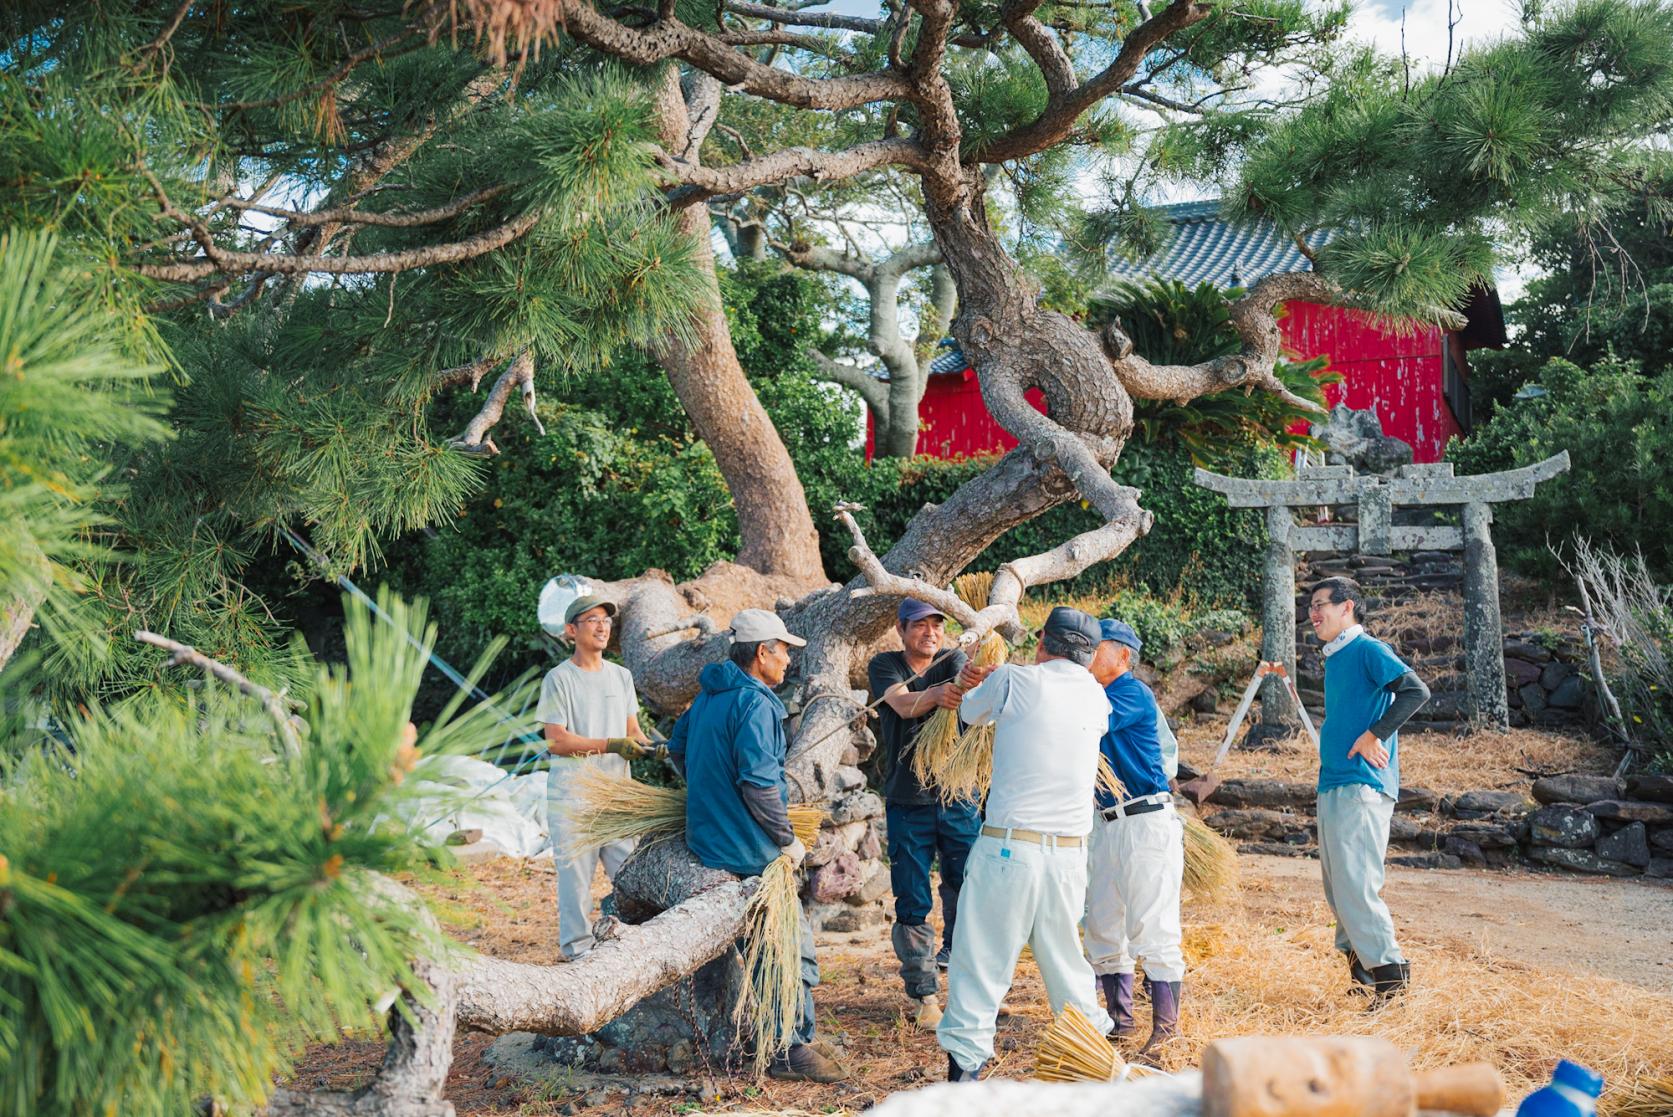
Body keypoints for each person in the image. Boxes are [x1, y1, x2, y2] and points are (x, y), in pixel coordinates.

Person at [667, 608, 850, 1083]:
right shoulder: (756, 703)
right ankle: (789, 1048)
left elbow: (677, 748)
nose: (789, 660)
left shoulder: (707, 697)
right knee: (789, 948)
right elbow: (759, 785)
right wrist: (786, 841)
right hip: (750, 851)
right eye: (784, 650)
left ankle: (772, 1035)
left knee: (761, 946)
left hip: (707, 843)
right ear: (762, 652)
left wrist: (710, 794)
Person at [937, 606, 1117, 1083]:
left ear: (1042, 642)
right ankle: (1093, 1071)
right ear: (1091, 655)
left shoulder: (1016, 680)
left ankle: (964, 1082)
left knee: (981, 961)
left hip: (1009, 852)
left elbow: (971, 713)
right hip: (1068, 857)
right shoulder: (1098, 700)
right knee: (1066, 965)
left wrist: (982, 677)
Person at [1307, 577, 1430, 1004]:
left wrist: (1375, 735)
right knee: (1338, 888)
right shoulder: (1337, 657)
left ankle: (1391, 980)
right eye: (1311, 607)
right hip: (1335, 782)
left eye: (1321, 604)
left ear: (1348, 607)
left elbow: (1416, 690)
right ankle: (1363, 976)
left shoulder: (1367, 649)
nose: (1314, 613)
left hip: (1362, 784)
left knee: (1357, 883)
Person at [868, 599, 981, 1031]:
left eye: (937, 624)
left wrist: (975, 674)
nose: (930, 632)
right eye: (920, 625)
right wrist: (935, 695)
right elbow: (900, 704)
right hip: (907, 801)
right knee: (913, 898)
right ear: (901, 629)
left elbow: (977, 685)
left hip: (958, 798)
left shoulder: (955, 659)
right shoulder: (886, 665)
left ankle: (972, 991)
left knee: (968, 891)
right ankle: (925, 996)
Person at [1084, 619, 1185, 1059]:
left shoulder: (1130, 693)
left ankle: (1166, 1031)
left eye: (1097, 648)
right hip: (1104, 823)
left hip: (1144, 822)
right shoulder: (1090, 693)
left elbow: (1087, 720)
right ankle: (1120, 1023)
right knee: (1103, 925)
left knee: (1152, 925)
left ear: (1122, 656)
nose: (1087, 655)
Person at [538, 595, 655, 961]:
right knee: (575, 882)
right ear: (571, 631)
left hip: (616, 797)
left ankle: (633, 948)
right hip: (573, 798)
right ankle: (576, 954)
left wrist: (657, 747)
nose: (603, 626)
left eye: (606, 619)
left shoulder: (621, 676)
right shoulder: (559, 680)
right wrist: (610, 744)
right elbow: (556, 741)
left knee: (629, 876)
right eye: (592, 620)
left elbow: (633, 730)